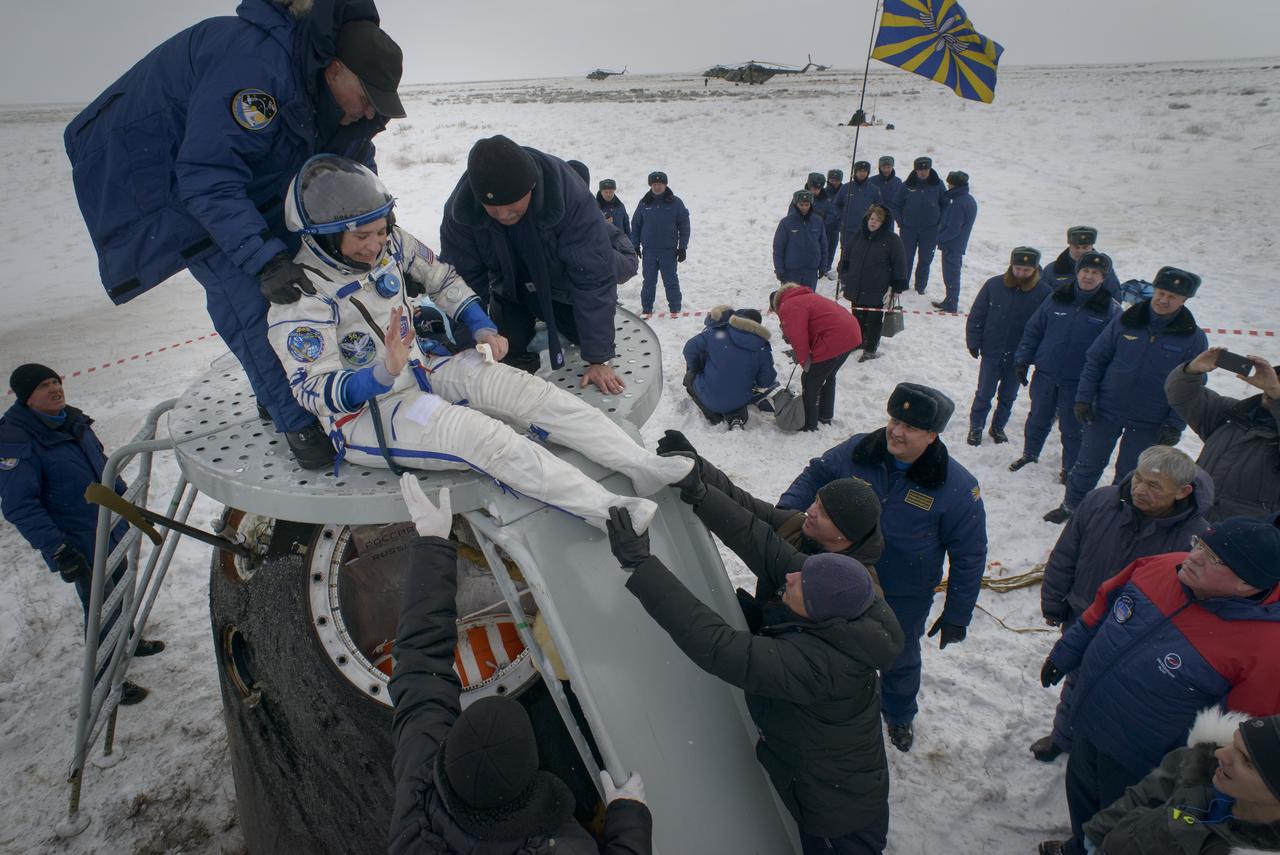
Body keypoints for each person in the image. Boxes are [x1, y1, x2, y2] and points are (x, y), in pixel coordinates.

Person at [267, 155, 692, 532]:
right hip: (369, 411)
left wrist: (482, 327)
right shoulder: (303, 297)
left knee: (523, 389)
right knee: (482, 437)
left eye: (380, 231)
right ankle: (609, 512)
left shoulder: (391, 243)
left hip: (421, 368)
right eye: (361, 237)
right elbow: (311, 389)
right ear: (325, 236)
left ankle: (641, 465)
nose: (375, 245)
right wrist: (381, 373)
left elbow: (443, 279)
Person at [65, 2, 406, 470]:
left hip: (249, 179)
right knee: (254, 296)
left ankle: (302, 388)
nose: (370, 111)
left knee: (316, 277)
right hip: (177, 186)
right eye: (367, 97)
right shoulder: (256, 69)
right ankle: (298, 423)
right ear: (335, 70)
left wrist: (373, 219)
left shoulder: (331, 95)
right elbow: (208, 176)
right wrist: (264, 260)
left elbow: (349, 162)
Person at [606, 480, 904, 855]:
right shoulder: (844, 600)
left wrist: (642, 565)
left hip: (839, 815)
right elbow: (766, 546)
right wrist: (701, 492)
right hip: (838, 784)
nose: (790, 576)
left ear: (816, 612)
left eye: (798, 584)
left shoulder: (821, 666)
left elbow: (718, 646)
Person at [389, 476, 652, 853]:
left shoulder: (418, 798)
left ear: (448, 757)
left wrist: (432, 545)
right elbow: (418, 664)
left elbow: (418, 666)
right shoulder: (563, 847)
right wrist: (630, 816)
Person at [1039, 514, 1280, 848]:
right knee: (1081, 803)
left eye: (1215, 559)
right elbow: (1102, 609)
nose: (1194, 556)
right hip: (1089, 722)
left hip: (1141, 764)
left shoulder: (1267, 647)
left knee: (1123, 828)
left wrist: (1191, 780)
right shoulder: (1161, 566)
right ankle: (1079, 846)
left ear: (1247, 585)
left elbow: (1238, 734)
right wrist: (1065, 653)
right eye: (1200, 545)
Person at [777, 383, 988, 753]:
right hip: (838, 578)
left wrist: (958, 614)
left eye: (911, 427)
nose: (897, 431)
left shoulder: (956, 487)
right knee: (822, 640)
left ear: (932, 435)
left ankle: (899, 712)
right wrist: (786, 514)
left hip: (901, 594)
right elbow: (816, 474)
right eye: (894, 420)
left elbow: (969, 555)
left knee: (898, 654)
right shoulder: (860, 451)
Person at [1032, 445, 1212, 763]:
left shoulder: (1196, 540)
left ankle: (1100, 751)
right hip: (1084, 614)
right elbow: (1066, 554)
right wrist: (1053, 601)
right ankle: (1063, 736)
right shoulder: (1100, 502)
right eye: (1139, 479)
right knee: (1077, 681)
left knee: (1120, 694)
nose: (1140, 490)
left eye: (1154, 486)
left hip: (1141, 636)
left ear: (1183, 491)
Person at [0, 365, 164, 705]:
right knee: (100, 605)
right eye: (43, 386)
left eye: (56, 382)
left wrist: (124, 501)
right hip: (77, 540)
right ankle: (104, 678)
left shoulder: (72, 420)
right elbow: (19, 505)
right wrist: (58, 549)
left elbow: (101, 464)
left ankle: (127, 640)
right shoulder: (17, 440)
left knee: (121, 586)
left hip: (107, 525)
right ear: (26, 397)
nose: (54, 389)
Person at [439, 136, 626, 395]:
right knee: (506, 344)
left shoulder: (570, 196)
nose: (503, 216)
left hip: (559, 285)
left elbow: (593, 276)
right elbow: (461, 281)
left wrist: (598, 359)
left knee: (579, 332)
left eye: (511, 208)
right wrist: (471, 346)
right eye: (492, 209)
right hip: (509, 286)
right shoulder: (461, 212)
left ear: (532, 186)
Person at [1046, 267, 1210, 523]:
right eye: (1161, 292)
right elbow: (1096, 359)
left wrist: (1175, 424)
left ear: (1184, 300)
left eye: (1173, 297)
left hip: (1150, 419)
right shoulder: (1127, 320)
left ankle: (1118, 515)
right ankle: (1071, 506)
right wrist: (1084, 398)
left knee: (1133, 473)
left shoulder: (1192, 337)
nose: (1164, 300)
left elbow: (1192, 385)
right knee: (1087, 463)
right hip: (1106, 410)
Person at [655, 428, 886, 581]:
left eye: (824, 513)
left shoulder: (846, 580)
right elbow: (744, 504)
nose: (810, 511)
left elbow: (757, 541)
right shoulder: (799, 526)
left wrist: (701, 494)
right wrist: (699, 468)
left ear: (844, 535)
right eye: (816, 502)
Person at [1042, 709, 1280, 855]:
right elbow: (1144, 795)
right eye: (1233, 744)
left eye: (1246, 761)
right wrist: (1095, 837)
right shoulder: (1201, 767)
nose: (1221, 753)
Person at [1009, 252, 1120, 480]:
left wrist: (1101, 386)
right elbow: (1034, 330)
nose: (1088, 276)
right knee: (1037, 418)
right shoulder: (1056, 298)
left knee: (1072, 428)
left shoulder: (1111, 311)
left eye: (1095, 273)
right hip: (1046, 374)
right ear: (1077, 272)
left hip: (1079, 382)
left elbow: (1114, 353)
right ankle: (1030, 454)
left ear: (1103, 278)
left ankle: (1069, 469)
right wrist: (1022, 360)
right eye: (1085, 270)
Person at [1166, 348, 1280, 521]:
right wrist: (1191, 370)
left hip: (1245, 530)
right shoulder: (1235, 412)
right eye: (1275, 381)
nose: (1272, 389)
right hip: (1193, 514)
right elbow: (1182, 396)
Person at [964, 247, 1052, 446]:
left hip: (1019, 357)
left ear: (1035, 270)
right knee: (984, 393)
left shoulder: (1045, 293)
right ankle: (976, 426)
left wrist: (1034, 355)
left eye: (1026, 270)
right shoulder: (993, 285)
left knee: (1008, 396)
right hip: (992, 351)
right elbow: (977, 315)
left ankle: (998, 426)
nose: (1020, 273)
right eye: (1017, 268)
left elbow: (1045, 328)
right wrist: (973, 341)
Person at [770, 284, 860, 431]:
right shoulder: (805, 297)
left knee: (810, 380)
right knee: (828, 375)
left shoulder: (788, 305)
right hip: (851, 334)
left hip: (834, 338)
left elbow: (799, 337)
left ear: (776, 305)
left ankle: (809, 423)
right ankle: (825, 415)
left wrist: (805, 362)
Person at [681, 306, 777, 429]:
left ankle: (714, 415)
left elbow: (689, 349)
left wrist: (696, 368)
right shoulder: (761, 345)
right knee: (735, 393)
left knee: (689, 378)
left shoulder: (716, 333)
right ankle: (734, 414)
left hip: (710, 396)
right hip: (741, 398)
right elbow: (766, 381)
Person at [838, 205, 907, 363]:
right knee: (857, 316)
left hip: (877, 288)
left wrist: (898, 285)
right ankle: (859, 340)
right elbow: (847, 253)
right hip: (856, 285)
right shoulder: (859, 235)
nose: (873, 222)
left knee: (874, 320)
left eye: (877, 220)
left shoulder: (892, 240)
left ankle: (870, 348)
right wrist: (844, 268)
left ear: (884, 223)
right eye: (871, 218)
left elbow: (900, 264)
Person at [566, 161, 638, 287]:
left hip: (615, 248)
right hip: (601, 249)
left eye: (611, 191)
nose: (608, 194)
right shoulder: (593, 207)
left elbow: (626, 227)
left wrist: (629, 244)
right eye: (606, 192)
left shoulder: (619, 206)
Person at [630, 170, 691, 315]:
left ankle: (675, 309)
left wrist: (682, 247)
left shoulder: (676, 203)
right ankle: (647, 309)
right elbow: (636, 225)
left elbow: (684, 226)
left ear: (665, 185)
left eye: (660, 184)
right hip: (649, 251)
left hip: (668, 251)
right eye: (654, 184)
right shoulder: (644, 203)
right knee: (649, 282)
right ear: (651, 186)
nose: (657, 187)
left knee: (671, 281)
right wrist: (635, 246)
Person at [894, 156, 947, 295]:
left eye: (925, 169)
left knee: (925, 259)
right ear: (915, 170)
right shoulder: (907, 185)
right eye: (920, 170)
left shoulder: (938, 185)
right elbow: (896, 205)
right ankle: (904, 284)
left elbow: (945, 204)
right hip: (908, 230)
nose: (923, 172)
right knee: (906, 258)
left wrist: (940, 223)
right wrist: (901, 222)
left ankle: (920, 286)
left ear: (930, 169)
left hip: (930, 230)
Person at [932, 171, 978, 313]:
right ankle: (949, 300)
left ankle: (951, 303)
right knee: (952, 274)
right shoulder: (968, 199)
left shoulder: (959, 203)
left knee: (951, 275)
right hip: (956, 245)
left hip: (952, 246)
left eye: (950, 184)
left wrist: (938, 239)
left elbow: (954, 229)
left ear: (955, 185)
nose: (948, 187)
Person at [1043, 226, 1121, 298]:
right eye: (1076, 247)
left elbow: (1115, 298)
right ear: (1069, 246)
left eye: (1085, 247)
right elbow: (1043, 300)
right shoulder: (1051, 270)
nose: (1081, 251)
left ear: (1091, 247)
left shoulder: (1105, 269)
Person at [773, 190, 829, 289]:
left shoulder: (818, 221)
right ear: (796, 204)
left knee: (808, 297)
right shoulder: (786, 223)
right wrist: (779, 269)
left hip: (811, 271)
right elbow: (778, 248)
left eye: (807, 205)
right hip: (791, 272)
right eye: (801, 205)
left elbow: (823, 246)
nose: (804, 208)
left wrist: (823, 266)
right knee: (792, 297)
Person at [834, 161, 882, 266]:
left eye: (865, 171)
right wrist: (841, 217)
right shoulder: (846, 187)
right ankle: (843, 274)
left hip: (866, 230)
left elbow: (880, 208)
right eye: (860, 171)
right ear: (855, 172)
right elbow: (836, 205)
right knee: (846, 255)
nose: (862, 173)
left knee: (863, 255)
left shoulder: (874, 190)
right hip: (848, 230)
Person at [822, 168, 846, 275]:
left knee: (832, 248)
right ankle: (821, 268)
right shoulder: (823, 193)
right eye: (832, 180)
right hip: (824, 227)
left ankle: (827, 268)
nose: (834, 182)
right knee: (823, 248)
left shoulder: (844, 192)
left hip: (837, 227)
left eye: (837, 180)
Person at [869, 156, 903, 223]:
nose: (886, 170)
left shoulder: (898, 181)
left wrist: (899, 218)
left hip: (890, 217)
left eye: (888, 167)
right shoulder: (871, 181)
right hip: (874, 217)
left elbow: (900, 201)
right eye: (884, 167)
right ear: (880, 167)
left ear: (892, 167)